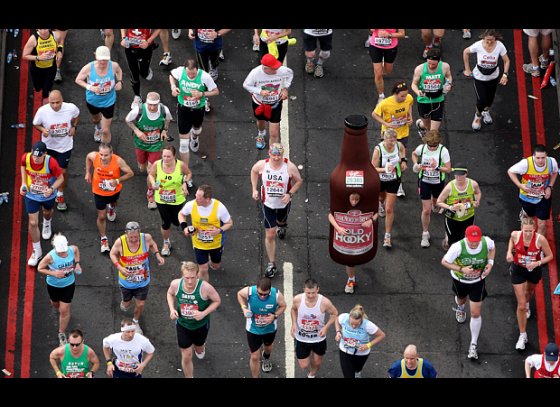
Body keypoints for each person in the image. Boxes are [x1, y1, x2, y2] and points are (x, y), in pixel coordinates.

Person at [441, 225, 496, 360]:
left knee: (475, 313)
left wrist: (490, 263)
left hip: (478, 281)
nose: (474, 243)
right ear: (466, 237)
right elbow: (445, 262)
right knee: (461, 299)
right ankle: (460, 307)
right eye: (471, 240)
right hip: (460, 280)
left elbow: (492, 248)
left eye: (476, 240)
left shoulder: (486, 241)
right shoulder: (457, 247)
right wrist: (461, 269)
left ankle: (473, 344)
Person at [251, 143, 303, 277]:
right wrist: (254, 189)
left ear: (282, 154)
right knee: (270, 234)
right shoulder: (263, 165)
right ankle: (272, 263)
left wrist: (290, 194)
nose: (276, 158)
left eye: (279, 155)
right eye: (274, 155)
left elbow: (299, 181)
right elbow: (254, 171)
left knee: (281, 222)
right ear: (269, 154)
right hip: (267, 204)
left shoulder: (289, 167)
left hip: (283, 204)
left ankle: (282, 226)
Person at [167, 261, 221, 379]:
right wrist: (172, 309)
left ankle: (201, 347)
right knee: (186, 356)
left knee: (199, 348)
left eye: (192, 277)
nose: (190, 281)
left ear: (197, 275)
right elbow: (170, 293)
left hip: (200, 325)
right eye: (187, 278)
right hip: (183, 325)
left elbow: (217, 301)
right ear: (182, 276)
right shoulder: (176, 284)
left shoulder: (205, 287)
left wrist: (204, 313)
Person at [506, 217, 553, 350]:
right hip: (518, 269)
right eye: (525, 231)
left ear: (534, 230)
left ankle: (527, 302)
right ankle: (523, 335)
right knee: (521, 305)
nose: (528, 234)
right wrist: (509, 252)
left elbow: (550, 256)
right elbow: (511, 240)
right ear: (521, 229)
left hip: (533, 269)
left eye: (530, 231)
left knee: (529, 292)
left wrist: (537, 263)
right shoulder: (515, 235)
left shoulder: (540, 240)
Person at [110, 221, 165, 334]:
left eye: (136, 237)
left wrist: (157, 255)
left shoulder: (146, 238)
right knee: (126, 304)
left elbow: (153, 244)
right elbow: (112, 254)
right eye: (131, 237)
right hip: (126, 282)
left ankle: (135, 322)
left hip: (143, 280)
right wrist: (119, 267)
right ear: (126, 233)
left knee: (140, 304)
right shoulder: (120, 242)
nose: (134, 239)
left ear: (140, 232)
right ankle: (125, 302)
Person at [32, 90, 80, 211]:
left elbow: (77, 115)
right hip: (48, 147)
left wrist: (74, 127)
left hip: (65, 146)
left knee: (63, 171)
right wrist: (43, 130)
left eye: (57, 102)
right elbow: (36, 124)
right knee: (48, 171)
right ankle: (47, 189)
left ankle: (60, 194)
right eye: (52, 103)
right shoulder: (43, 111)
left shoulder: (70, 108)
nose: (55, 105)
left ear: (62, 100)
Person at [125, 91, 173, 209]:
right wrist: (137, 131)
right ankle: (146, 168)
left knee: (151, 171)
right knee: (142, 167)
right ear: (146, 102)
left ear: (159, 103)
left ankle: (150, 193)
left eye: (155, 104)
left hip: (156, 145)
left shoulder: (164, 110)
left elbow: (167, 119)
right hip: (141, 144)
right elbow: (127, 120)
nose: (152, 107)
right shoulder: (139, 110)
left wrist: (164, 130)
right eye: (150, 104)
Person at [20, 141, 64, 266]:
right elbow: (23, 165)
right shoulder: (26, 157)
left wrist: (51, 189)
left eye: (39, 156)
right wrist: (23, 183)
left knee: (47, 212)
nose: (36, 158)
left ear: (45, 154)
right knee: (33, 222)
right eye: (34, 155)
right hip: (31, 194)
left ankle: (47, 222)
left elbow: (60, 178)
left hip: (47, 195)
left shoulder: (51, 163)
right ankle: (37, 250)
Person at [85, 143, 134, 253]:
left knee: (113, 203)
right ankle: (104, 239)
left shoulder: (118, 161)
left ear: (111, 154)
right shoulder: (94, 156)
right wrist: (88, 172)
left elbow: (130, 173)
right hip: (98, 192)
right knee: (101, 216)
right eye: (101, 154)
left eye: (106, 155)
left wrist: (117, 181)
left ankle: (111, 209)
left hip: (113, 191)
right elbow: (88, 157)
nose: (103, 158)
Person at [169, 59, 219, 167]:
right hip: (183, 109)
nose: (191, 77)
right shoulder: (180, 71)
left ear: (197, 69)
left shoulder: (205, 76)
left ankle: (195, 137)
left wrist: (201, 93)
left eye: (193, 75)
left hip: (198, 109)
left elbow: (215, 91)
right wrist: (173, 87)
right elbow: (171, 75)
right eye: (188, 75)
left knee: (197, 130)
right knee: (183, 144)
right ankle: (185, 171)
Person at [178, 185, 233, 282]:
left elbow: (229, 223)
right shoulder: (191, 205)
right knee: (203, 269)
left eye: (198, 198)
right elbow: (181, 214)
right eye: (195, 197)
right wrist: (185, 227)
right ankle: (203, 291)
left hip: (216, 243)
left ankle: (211, 260)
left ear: (207, 199)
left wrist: (219, 230)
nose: (196, 200)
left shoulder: (219, 208)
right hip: (199, 244)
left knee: (216, 265)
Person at [237, 277, 287, 377]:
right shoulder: (250, 291)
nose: (263, 296)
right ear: (257, 287)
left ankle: (266, 357)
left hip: (269, 329)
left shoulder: (277, 294)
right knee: (255, 357)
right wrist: (244, 308)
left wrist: (275, 315)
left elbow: (283, 306)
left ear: (270, 289)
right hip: (253, 329)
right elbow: (239, 294)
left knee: (268, 347)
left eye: (265, 294)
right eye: (260, 294)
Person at [37, 234, 82, 346]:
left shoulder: (72, 249)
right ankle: (57, 304)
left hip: (68, 283)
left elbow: (76, 251)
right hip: (53, 285)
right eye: (59, 251)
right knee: (55, 305)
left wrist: (77, 264)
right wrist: (54, 273)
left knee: (64, 310)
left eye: (63, 251)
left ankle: (61, 333)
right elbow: (40, 268)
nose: (62, 253)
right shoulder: (50, 256)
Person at [328, 193, 378, 293]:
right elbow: (330, 215)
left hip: (360, 236)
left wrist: (371, 221)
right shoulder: (341, 203)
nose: (354, 202)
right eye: (352, 200)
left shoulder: (367, 203)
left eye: (356, 200)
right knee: (350, 260)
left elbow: (377, 213)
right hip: (347, 238)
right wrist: (338, 228)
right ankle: (351, 279)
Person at [148, 145, 192, 256]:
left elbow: (189, 173)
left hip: (177, 199)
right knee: (166, 223)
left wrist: (185, 183)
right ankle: (166, 243)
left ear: (174, 156)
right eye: (164, 156)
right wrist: (153, 183)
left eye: (169, 157)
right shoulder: (157, 164)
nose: (166, 159)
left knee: (176, 222)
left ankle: (176, 222)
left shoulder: (180, 165)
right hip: (161, 199)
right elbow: (151, 174)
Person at [243, 54, 294, 149]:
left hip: (276, 104)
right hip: (260, 104)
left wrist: (286, 88)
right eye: (273, 69)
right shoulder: (255, 73)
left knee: (274, 133)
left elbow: (290, 73)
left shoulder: (281, 70)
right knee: (261, 123)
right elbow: (246, 85)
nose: (276, 70)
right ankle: (261, 134)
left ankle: (273, 157)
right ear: (265, 69)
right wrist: (259, 92)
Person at [372, 82, 413, 197]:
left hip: (403, 133)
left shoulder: (408, 98)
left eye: (406, 95)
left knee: (401, 161)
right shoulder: (385, 103)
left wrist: (410, 117)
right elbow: (374, 114)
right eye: (402, 96)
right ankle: (383, 179)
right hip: (388, 135)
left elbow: (410, 104)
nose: (405, 98)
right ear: (395, 93)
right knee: (386, 158)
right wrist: (386, 124)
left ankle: (398, 181)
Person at [463, 29, 510, 131]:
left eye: (492, 40)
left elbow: (506, 61)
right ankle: (478, 115)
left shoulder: (500, 46)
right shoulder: (478, 45)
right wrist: (467, 69)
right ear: (484, 37)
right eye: (488, 40)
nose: (489, 42)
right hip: (479, 77)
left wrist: (505, 75)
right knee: (482, 100)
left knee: (490, 99)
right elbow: (465, 52)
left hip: (493, 77)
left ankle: (486, 111)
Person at [411, 130, 451, 248]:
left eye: (435, 146)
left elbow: (448, 169)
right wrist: (416, 164)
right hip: (424, 181)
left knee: (436, 202)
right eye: (430, 146)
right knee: (426, 210)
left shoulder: (443, 151)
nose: (432, 148)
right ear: (426, 142)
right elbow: (414, 154)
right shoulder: (422, 149)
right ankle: (425, 234)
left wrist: (437, 167)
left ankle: (435, 204)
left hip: (438, 181)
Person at [291, 279, 338, 378]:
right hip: (301, 338)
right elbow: (293, 309)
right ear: (304, 290)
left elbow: (334, 313)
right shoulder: (297, 299)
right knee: (304, 365)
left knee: (317, 363)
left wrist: (326, 328)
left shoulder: (324, 302)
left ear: (318, 290)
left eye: (313, 292)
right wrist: (294, 324)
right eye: (308, 293)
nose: (311, 295)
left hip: (318, 338)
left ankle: (311, 375)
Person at [507, 144, 558, 238]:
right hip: (527, 197)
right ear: (533, 156)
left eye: (543, 157)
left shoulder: (552, 162)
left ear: (546, 155)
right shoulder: (525, 164)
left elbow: (555, 172)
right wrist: (520, 185)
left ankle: (539, 246)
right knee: (530, 218)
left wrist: (549, 187)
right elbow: (510, 171)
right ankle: (525, 213)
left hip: (543, 196)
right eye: (538, 158)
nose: (540, 161)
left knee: (542, 223)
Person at [75, 45, 123, 143]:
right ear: (96, 57)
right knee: (95, 120)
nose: (103, 62)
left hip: (109, 101)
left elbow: (119, 71)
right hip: (93, 101)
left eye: (105, 60)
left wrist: (120, 81)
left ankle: (105, 149)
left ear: (109, 57)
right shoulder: (88, 68)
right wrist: (90, 87)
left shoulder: (114, 65)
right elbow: (78, 80)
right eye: (100, 59)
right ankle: (97, 127)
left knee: (105, 130)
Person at [371, 129, 407, 248]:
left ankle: (387, 236)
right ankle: (380, 204)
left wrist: (403, 161)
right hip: (380, 179)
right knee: (381, 198)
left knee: (389, 209)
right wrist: (385, 169)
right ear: (385, 139)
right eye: (391, 141)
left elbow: (402, 149)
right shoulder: (378, 150)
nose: (393, 143)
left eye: (394, 140)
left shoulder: (398, 145)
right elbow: (372, 168)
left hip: (393, 179)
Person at [436, 163, 482, 250]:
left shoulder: (473, 184)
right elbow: (439, 201)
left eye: (461, 175)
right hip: (452, 218)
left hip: (468, 217)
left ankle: (460, 260)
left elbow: (477, 192)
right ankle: (449, 243)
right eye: (456, 175)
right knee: (453, 241)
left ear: (466, 173)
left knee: (464, 240)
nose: (459, 178)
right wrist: (450, 207)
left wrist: (477, 200)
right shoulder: (450, 187)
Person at [335, 304, 386, 379]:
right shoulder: (344, 317)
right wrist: (338, 332)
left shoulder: (368, 325)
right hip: (345, 350)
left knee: (357, 368)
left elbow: (382, 335)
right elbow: (336, 320)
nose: (354, 326)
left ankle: (357, 373)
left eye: (357, 324)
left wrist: (368, 345)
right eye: (351, 323)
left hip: (361, 352)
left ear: (361, 320)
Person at [411, 48, 453, 136]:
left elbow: (448, 76)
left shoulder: (445, 66)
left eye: (433, 64)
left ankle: (429, 147)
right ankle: (420, 125)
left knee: (433, 132)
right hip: (424, 101)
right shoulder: (420, 69)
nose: (431, 66)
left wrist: (448, 84)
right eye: (429, 63)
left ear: (439, 60)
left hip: (438, 100)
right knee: (426, 125)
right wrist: (417, 91)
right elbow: (413, 84)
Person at [120, 29, 162, 107]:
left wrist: (148, 41)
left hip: (145, 48)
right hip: (130, 47)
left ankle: (146, 72)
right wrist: (123, 38)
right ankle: (137, 96)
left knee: (144, 74)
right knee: (134, 74)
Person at [22, 29, 62, 104]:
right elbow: (25, 55)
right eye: (40, 29)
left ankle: (44, 112)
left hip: (50, 68)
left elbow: (60, 41)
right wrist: (38, 57)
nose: (43, 32)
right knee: (37, 88)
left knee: (46, 93)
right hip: (37, 69)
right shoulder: (34, 39)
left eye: (45, 29)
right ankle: (38, 87)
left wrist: (60, 51)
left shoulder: (56, 35)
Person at [368, 29, 406, 105]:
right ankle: (381, 96)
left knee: (388, 71)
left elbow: (402, 34)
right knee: (379, 74)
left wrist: (389, 35)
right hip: (375, 46)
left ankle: (382, 61)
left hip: (390, 47)